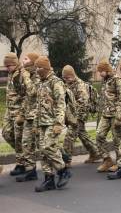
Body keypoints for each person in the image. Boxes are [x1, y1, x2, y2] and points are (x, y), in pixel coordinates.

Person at [34, 56, 71, 192]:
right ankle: (48, 178)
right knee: (42, 151)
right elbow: (38, 105)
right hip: (42, 122)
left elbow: (61, 104)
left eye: (39, 67)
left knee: (48, 147)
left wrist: (58, 123)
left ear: (46, 68)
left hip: (52, 122)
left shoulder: (56, 82)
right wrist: (36, 125)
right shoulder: (40, 83)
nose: (37, 70)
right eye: (36, 67)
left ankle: (63, 170)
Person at [62, 65, 101, 166]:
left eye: (68, 77)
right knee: (82, 134)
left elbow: (84, 102)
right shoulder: (68, 85)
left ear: (73, 75)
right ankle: (95, 153)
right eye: (64, 78)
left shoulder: (80, 85)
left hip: (79, 114)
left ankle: (66, 160)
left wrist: (75, 117)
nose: (66, 80)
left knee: (70, 135)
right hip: (73, 114)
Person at [2, 52, 30, 176]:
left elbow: (27, 96)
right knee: (6, 133)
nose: (7, 68)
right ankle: (24, 157)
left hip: (19, 111)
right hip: (10, 110)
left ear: (15, 63)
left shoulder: (21, 75)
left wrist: (22, 113)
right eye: (6, 66)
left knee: (19, 138)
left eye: (9, 65)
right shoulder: (11, 73)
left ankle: (21, 163)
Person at [95, 59, 121, 172]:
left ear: (106, 70)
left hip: (115, 114)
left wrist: (119, 116)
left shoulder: (116, 80)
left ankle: (119, 163)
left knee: (117, 139)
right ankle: (107, 160)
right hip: (106, 114)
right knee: (99, 136)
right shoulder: (105, 80)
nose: (99, 73)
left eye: (101, 71)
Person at [16, 53, 40, 182]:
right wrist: (22, 113)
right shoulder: (27, 74)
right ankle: (31, 171)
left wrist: (25, 77)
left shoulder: (37, 74)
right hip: (29, 115)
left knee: (44, 146)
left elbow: (33, 92)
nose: (23, 60)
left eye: (26, 58)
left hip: (39, 116)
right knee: (26, 143)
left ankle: (61, 165)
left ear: (33, 62)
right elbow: (23, 95)